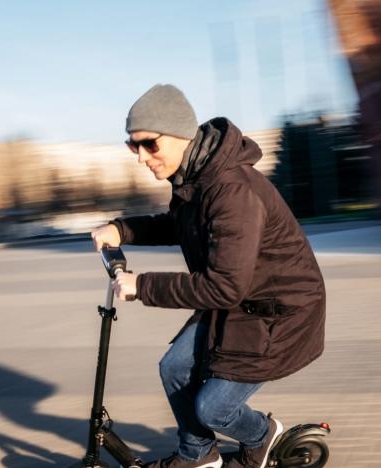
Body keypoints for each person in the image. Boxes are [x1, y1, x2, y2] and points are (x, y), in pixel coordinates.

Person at [91, 84, 326, 468]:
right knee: (174, 368)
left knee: (213, 409)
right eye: (133, 147)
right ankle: (198, 456)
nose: (141, 157)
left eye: (150, 144)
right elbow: (181, 227)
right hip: (240, 304)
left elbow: (224, 285)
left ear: (180, 134)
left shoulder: (232, 191)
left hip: (277, 314)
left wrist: (143, 286)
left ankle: (263, 436)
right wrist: (123, 230)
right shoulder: (196, 180)